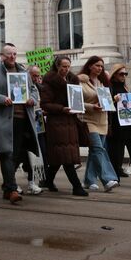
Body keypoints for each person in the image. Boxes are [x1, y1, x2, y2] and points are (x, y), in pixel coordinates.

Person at [0, 44, 39, 203]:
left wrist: (32, 99)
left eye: (15, 54)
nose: (12, 57)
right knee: (7, 153)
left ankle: (8, 188)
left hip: (23, 119)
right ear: (1, 55)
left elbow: (34, 89)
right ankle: (12, 189)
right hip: (3, 120)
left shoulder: (23, 71)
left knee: (15, 155)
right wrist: (2, 99)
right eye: (9, 54)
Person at [39, 56, 88, 197]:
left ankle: (48, 180)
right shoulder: (49, 80)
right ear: (57, 66)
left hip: (70, 120)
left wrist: (78, 106)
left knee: (61, 154)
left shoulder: (72, 79)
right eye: (63, 67)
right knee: (66, 156)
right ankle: (76, 186)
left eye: (68, 66)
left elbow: (77, 98)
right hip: (57, 122)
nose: (66, 69)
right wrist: (61, 109)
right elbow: (45, 104)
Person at [78, 56, 119, 192]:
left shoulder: (102, 83)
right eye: (97, 65)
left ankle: (89, 180)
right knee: (98, 149)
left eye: (101, 66)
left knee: (95, 151)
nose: (100, 68)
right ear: (90, 66)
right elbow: (76, 102)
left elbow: (106, 103)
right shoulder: (81, 81)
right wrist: (92, 107)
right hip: (88, 120)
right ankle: (108, 179)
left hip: (102, 121)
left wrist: (114, 100)